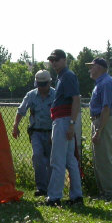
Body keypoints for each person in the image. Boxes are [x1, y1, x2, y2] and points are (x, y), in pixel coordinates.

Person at [44, 49, 83, 206]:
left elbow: (76, 99)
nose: (53, 63)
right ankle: (76, 195)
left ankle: (54, 197)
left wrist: (72, 124)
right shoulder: (62, 77)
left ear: (64, 60)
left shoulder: (67, 76)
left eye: (57, 59)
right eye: (51, 60)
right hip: (63, 120)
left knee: (57, 160)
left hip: (64, 120)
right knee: (69, 159)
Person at [12, 70, 55, 196]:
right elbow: (21, 110)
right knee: (37, 157)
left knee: (52, 160)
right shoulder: (31, 95)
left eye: (44, 84)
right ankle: (41, 188)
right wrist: (15, 126)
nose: (41, 87)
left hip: (52, 132)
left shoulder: (56, 94)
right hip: (36, 132)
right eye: (39, 85)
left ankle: (51, 187)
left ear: (49, 82)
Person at [86, 57, 112, 200]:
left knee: (104, 159)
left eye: (92, 67)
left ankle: (110, 193)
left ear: (99, 68)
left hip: (102, 121)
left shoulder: (106, 83)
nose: (90, 70)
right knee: (98, 160)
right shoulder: (101, 83)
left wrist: (99, 131)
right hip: (98, 120)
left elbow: (106, 108)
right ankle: (103, 192)